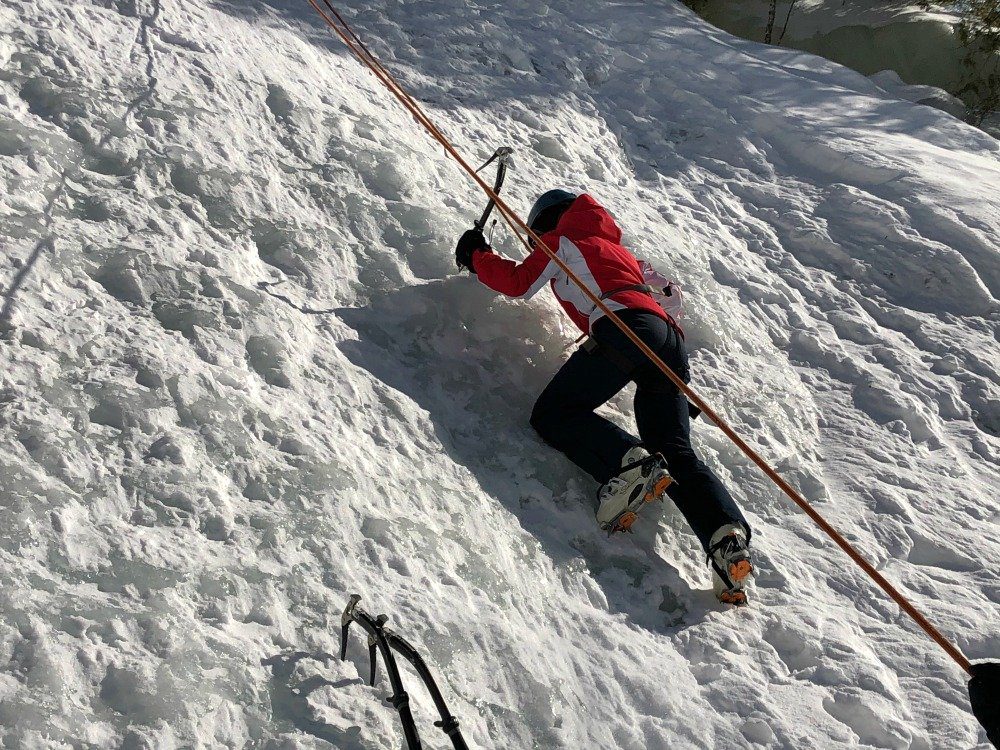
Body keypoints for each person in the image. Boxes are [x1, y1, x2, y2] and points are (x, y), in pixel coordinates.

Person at [455, 190, 755, 604]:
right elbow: (668, 295)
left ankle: (628, 464)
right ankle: (726, 537)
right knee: (674, 447)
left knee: (554, 414)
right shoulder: (620, 252)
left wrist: (477, 257)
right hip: (668, 339)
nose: (533, 245)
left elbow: (519, 282)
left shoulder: (561, 242)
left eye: (533, 237)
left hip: (624, 326)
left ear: (547, 224)